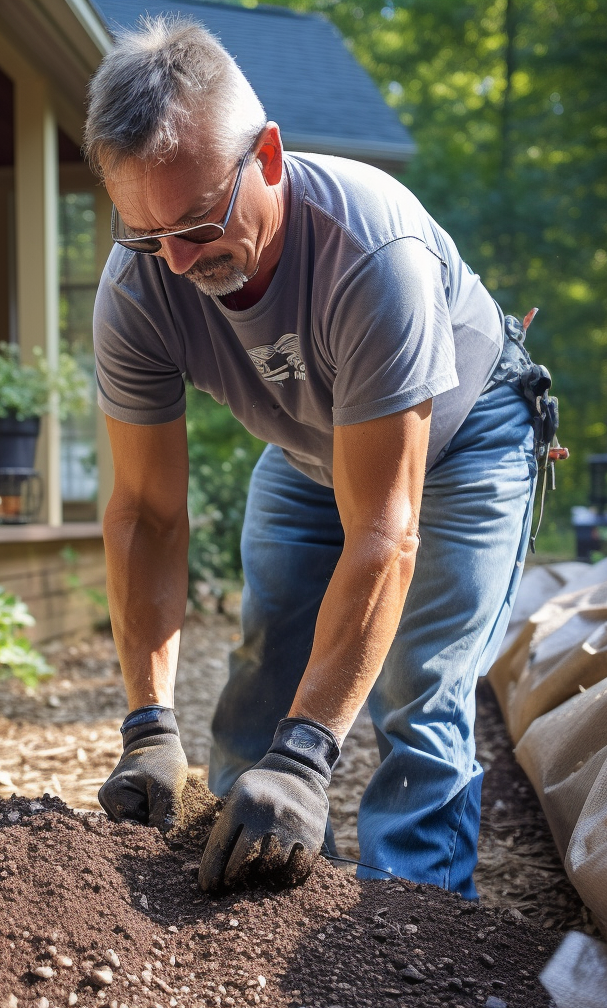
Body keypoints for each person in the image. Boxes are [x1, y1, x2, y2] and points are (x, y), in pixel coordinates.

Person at [89, 16, 540, 899]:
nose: (177, 262)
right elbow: (145, 514)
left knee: (420, 694)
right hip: (311, 449)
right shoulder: (141, 278)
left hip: (464, 441)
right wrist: (147, 725)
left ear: (266, 156)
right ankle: (244, 912)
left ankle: (408, 929)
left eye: (198, 223)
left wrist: (308, 755)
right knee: (262, 686)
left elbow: (384, 531)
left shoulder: (374, 257)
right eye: (146, 234)